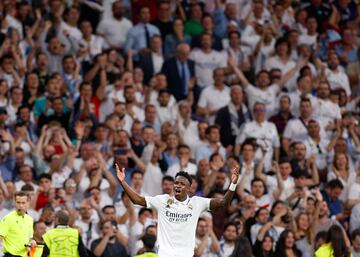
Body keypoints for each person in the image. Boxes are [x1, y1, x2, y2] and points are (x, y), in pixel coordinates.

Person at [115, 163, 240, 257]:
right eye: (176, 183)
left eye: (181, 184)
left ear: (189, 188)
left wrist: (233, 185)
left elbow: (223, 203)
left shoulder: (197, 202)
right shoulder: (163, 200)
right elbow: (137, 200)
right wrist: (122, 182)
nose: (177, 186)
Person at [0, 191, 36, 257]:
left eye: (23, 203)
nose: (20, 205)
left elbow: (29, 239)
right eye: (18, 202)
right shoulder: (8, 218)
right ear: (15, 202)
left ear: (28, 203)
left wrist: (32, 242)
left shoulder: (30, 220)